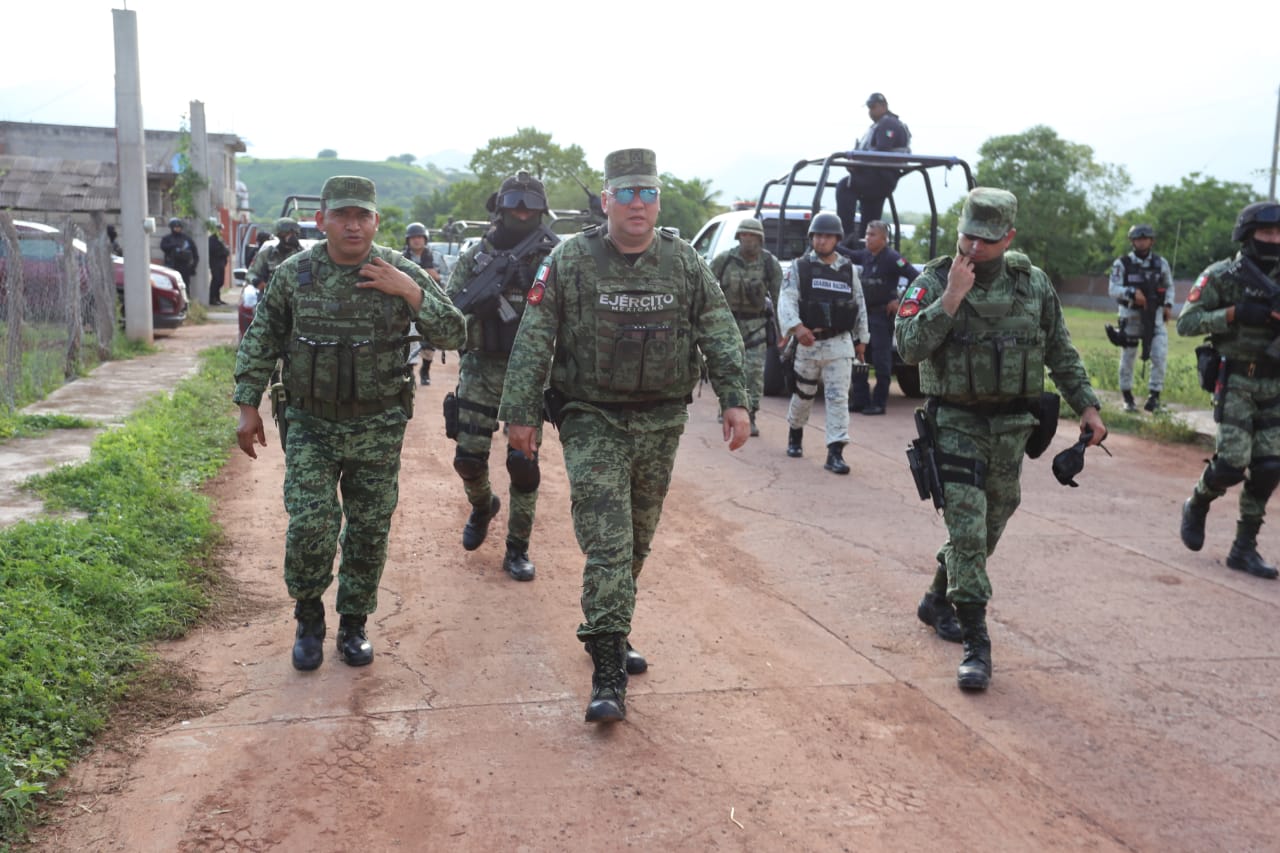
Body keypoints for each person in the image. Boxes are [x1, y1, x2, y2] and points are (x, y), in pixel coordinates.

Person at [496, 149, 750, 723]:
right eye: (628, 194)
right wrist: (521, 415)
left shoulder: (683, 262)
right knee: (608, 541)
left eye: (649, 194)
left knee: (636, 539)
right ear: (607, 201)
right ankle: (608, 667)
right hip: (592, 415)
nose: (639, 204)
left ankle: (612, 623)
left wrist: (736, 399)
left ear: (658, 202)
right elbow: (536, 336)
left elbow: (719, 330)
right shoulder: (570, 260)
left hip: (662, 418)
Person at [233, 176, 466, 671]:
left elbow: (455, 332)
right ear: (322, 221)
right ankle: (309, 618)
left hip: (377, 425)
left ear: (377, 221)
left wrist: (410, 292)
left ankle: (355, 621)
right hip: (311, 423)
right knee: (311, 523)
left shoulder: (397, 270)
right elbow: (262, 339)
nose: (353, 225)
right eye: (342, 215)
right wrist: (246, 403)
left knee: (368, 528)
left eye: (363, 216)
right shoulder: (295, 274)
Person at [894, 187, 1105, 691]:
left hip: (1012, 428)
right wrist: (950, 299)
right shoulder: (932, 280)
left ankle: (937, 597)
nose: (973, 248)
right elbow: (906, 348)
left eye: (986, 241)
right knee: (967, 531)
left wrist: (1088, 406)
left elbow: (1059, 348)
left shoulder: (1032, 285)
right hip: (955, 424)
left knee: (989, 527)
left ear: (1008, 237)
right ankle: (976, 645)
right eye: (967, 236)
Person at [445, 171, 559, 582]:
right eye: (515, 205)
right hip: (480, 368)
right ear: (500, 208)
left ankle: (517, 549)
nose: (523, 213)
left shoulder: (555, 258)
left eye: (530, 206)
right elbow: (450, 308)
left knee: (523, 463)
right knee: (468, 459)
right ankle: (482, 506)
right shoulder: (476, 257)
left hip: (528, 372)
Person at [1177, 200, 1280, 580]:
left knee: (1270, 466)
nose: (1273, 239)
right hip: (1235, 379)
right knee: (1232, 464)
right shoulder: (1223, 275)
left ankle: (1243, 548)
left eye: (1278, 233)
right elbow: (1186, 324)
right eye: (1266, 233)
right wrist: (1234, 314)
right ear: (1248, 234)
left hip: (1275, 381)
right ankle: (1198, 501)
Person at [779, 211, 868, 474]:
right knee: (804, 395)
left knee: (838, 397)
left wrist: (862, 340)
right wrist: (797, 328)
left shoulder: (848, 269)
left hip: (840, 344)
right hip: (809, 343)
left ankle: (835, 452)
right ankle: (795, 433)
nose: (821, 240)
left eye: (827, 236)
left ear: (837, 239)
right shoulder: (800, 267)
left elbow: (859, 304)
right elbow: (787, 298)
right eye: (817, 235)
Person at [710, 217, 783, 436]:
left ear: (759, 238)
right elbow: (706, 291)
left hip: (757, 325)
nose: (746, 239)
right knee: (727, 368)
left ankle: (750, 415)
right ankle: (726, 405)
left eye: (751, 235)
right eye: (743, 234)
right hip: (728, 324)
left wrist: (784, 331)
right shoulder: (724, 260)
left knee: (753, 373)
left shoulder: (769, 263)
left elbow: (780, 299)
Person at [842, 219, 918, 415]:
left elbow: (915, 277)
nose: (867, 238)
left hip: (881, 317)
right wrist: (833, 242)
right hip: (863, 317)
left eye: (872, 234)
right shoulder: (866, 255)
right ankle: (860, 400)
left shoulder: (893, 258)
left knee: (882, 361)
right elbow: (850, 255)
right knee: (859, 358)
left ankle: (878, 403)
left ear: (884, 238)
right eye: (867, 234)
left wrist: (900, 302)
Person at [1108, 224, 1173, 412]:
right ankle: (1127, 398)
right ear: (1132, 241)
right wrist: (1131, 292)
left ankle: (1154, 397)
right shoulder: (1122, 263)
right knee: (1128, 358)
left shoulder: (1161, 263)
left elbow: (1169, 285)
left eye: (1145, 238)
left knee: (1159, 356)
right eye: (1138, 238)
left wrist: (1168, 304)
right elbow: (1112, 289)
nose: (1142, 242)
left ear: (1151, 241)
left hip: (1155, 316)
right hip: (1131, 316)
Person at [835, 93, 911, 241]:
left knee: (844, 187)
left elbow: (882, 153)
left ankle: (845, 234)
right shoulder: (878, 125)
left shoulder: (889, 124)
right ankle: (865, 246)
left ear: (884, 106)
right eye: (869, 108)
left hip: (880, 177)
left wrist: (857, 165)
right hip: (875, 178)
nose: (870, 111)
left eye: (873, 107)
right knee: (869, 218)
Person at [403, 222, 440, 385]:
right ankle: (409, 372)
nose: (416, 241)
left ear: (425, 239)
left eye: (419, 237)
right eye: (413, 238)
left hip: (429, 304)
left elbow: (446, 278)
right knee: (409, 339)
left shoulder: (436, 257)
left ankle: (425, 371)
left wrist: (436, 276)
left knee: (428, 341)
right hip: (406, 305)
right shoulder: (401, 259)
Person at [249, 217, 303, 292]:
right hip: (270, 296)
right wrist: (257, 282)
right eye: (287, 232)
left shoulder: (303, 255)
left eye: (294, 232)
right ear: (279, 234)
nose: (292, 235)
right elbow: (251, 273)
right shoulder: (267, 254)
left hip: (296, 297)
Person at [160, 217, 198, 285]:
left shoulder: (187, 238)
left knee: (184, 285)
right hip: (171, 265)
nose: (177, 228)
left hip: (185, 266)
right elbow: (163, 247)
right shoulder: (167, 238)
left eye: (179, 227)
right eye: (175, 227)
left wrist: (193, 266)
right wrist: (174, 245)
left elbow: (195, 253)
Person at [207, 218, 230, 306]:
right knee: (216, 280)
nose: (220, 231)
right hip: (215, 263)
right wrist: (223, 251)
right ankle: (212, 299)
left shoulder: (220, 239)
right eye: (219, 229)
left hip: (221, 263)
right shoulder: (212, 239)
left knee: (221, 281)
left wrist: (225, 251)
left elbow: (226, 250)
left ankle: (218, 298)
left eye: (221, 229)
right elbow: (214, 250)